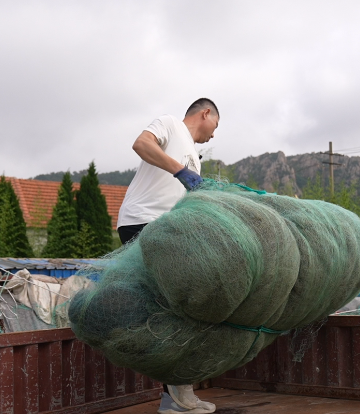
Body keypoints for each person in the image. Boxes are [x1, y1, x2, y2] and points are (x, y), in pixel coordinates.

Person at [116, 98, 219, 414]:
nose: (214, 135)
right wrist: (179, 170)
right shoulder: (171, 124)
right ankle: (177, 397)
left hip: (166, 229)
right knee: (178, 305)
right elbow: (141, 143)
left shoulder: (195, 157)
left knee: (176, 305)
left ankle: (173, 396)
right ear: (205, 114)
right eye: (216, 125)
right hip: (142, 222)